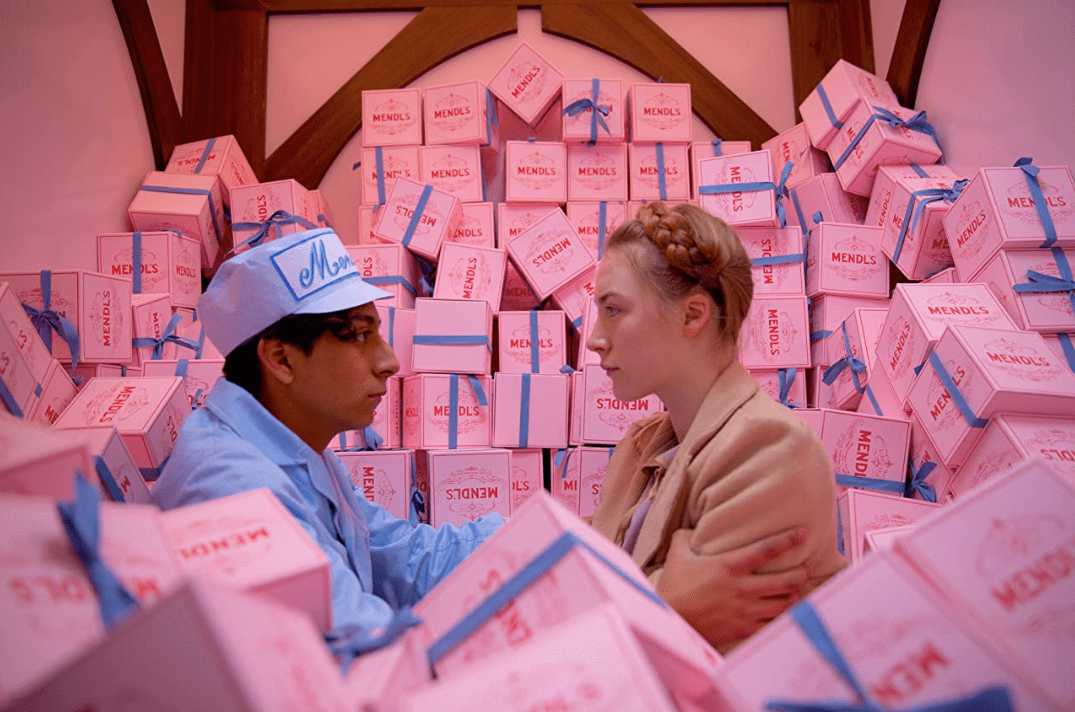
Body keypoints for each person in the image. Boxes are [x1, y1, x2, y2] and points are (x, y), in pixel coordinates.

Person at [151, 227, 503, 634]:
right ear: (281, 359)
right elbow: (358, 649)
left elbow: (403, 560)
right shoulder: (231, 485)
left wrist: (557, 533)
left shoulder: (299, 448)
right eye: (359, 335)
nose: (389, 361)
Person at [587, 202, 846, 652]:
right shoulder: (640, 447)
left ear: (693, 315)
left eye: (613, 310)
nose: (594, 337)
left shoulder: (770, 450)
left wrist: (660, 602)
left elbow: (700, 666)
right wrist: (668, 598)